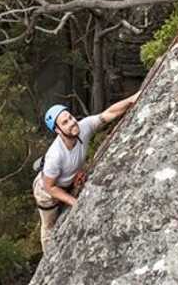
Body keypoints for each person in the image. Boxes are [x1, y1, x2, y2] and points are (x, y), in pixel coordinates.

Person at [32, 91, 139, 252]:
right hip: (46, 193)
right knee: (49, 226)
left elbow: (108, 114)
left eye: (70, 118)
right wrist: (74, 202)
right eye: (65, 122)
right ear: (58, 130)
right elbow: (49, 187)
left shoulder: (83, 127)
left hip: (66, 180)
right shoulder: (55, 156)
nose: (72, 123)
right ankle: (48, 256)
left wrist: (132, 99)